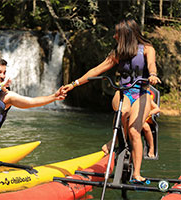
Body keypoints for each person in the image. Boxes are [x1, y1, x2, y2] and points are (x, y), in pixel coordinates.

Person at [62, 19, 161, 182]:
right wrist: (73, 84)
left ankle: (136, 173)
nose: (114, 36)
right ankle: (118, 138)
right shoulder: (117, 53)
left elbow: (151, 64)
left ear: (126, 35)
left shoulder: (147, 49)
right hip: (124, 91)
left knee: (135, 132)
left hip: (141, 92)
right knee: (123, 111)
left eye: (117, 34)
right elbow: (96, 70)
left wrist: (153, 75)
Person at [142, 94, 160, 158]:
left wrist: (148, 113)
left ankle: (151, 147)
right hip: (133, 119)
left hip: (145, 121)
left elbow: (157, 109)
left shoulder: (147, 97)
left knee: (145, 126)